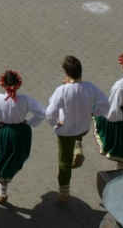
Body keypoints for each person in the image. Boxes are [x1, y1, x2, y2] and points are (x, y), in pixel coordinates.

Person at [45, 56, 110, 203]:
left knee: (64, 161)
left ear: (66, 73)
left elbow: (50, 112)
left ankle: (64, 192)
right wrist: (93, 112)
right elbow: (104, 104)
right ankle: (78, 146)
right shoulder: (90, 87)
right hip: (83, 128)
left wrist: (55, 124)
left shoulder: (61, 90)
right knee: (77, 133)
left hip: (66, 132)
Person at [0, 69, 46, 205]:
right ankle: (3, 188)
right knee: (17, 159)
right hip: (22, 132)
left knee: (4, 158)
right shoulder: (26, 100)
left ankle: (2, 191)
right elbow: (41, 112)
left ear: (3, 85)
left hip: (5, 131)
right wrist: (30, 122)